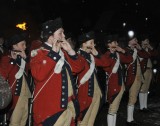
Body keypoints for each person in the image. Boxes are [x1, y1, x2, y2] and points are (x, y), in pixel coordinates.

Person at [30, 17, 84, 126]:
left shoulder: (63, 52)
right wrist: (53, 54)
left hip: (68, 107)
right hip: (51, 111)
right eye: (60, 33)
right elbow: (39, 75)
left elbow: (79, 68)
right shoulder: (38, 53)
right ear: (50, 37)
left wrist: (70, 51)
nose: (64, 36)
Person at [76, 31, 112, 126]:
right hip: (85, 95)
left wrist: (97, 54)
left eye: (93, 42)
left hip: (96, 94)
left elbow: (107, 63)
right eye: (91, 43)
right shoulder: (77, 56)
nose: (93, 45)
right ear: (84, 44)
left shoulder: (92, 57)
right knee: (83, 122)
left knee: (91, 123)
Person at [0, 29, 32, 126]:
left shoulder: (23, 59)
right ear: (14, 46)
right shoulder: (6, 59)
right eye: (23, 44)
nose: (25, 47)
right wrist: (13, 61)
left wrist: (25, 59)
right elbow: (2, 75)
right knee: (15, 122)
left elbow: (31, 70)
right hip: (15, 97)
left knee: (23, 121)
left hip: (26, 96)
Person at [102, 34, 133, 126]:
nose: (117, 44)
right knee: (112, 108)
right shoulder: (106, 55)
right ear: (109, 44)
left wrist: (123, 51)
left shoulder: (118, 55)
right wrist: (112, 53)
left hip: (120, 84)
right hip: (113, 85)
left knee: (115, 108)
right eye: (115, 42)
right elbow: (106, 67)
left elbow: (130, 59)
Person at [124, 36, 150, 126]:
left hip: (139, 76)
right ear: (130, 41)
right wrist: (133, 50)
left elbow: (147, 55)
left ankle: (131, 119)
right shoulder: (125, 49)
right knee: (132, 97)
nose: (137, 41)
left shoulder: (137, 50)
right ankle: (129, 120)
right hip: (132, 77)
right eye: (135, 40)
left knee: (134, 97)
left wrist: (140, 49)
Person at [139, 36, 158, 112]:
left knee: (146, 89)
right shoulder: (140, 49)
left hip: (149, 70)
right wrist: (144, 48)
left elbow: (156, 54)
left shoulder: (148, 49)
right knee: (142, 88)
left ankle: (145, 106)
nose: (147, 42)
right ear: (142, 42)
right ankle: (141, 107)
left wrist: (150, 47)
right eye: (146, 41)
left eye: (148, 41)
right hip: (144, 70)